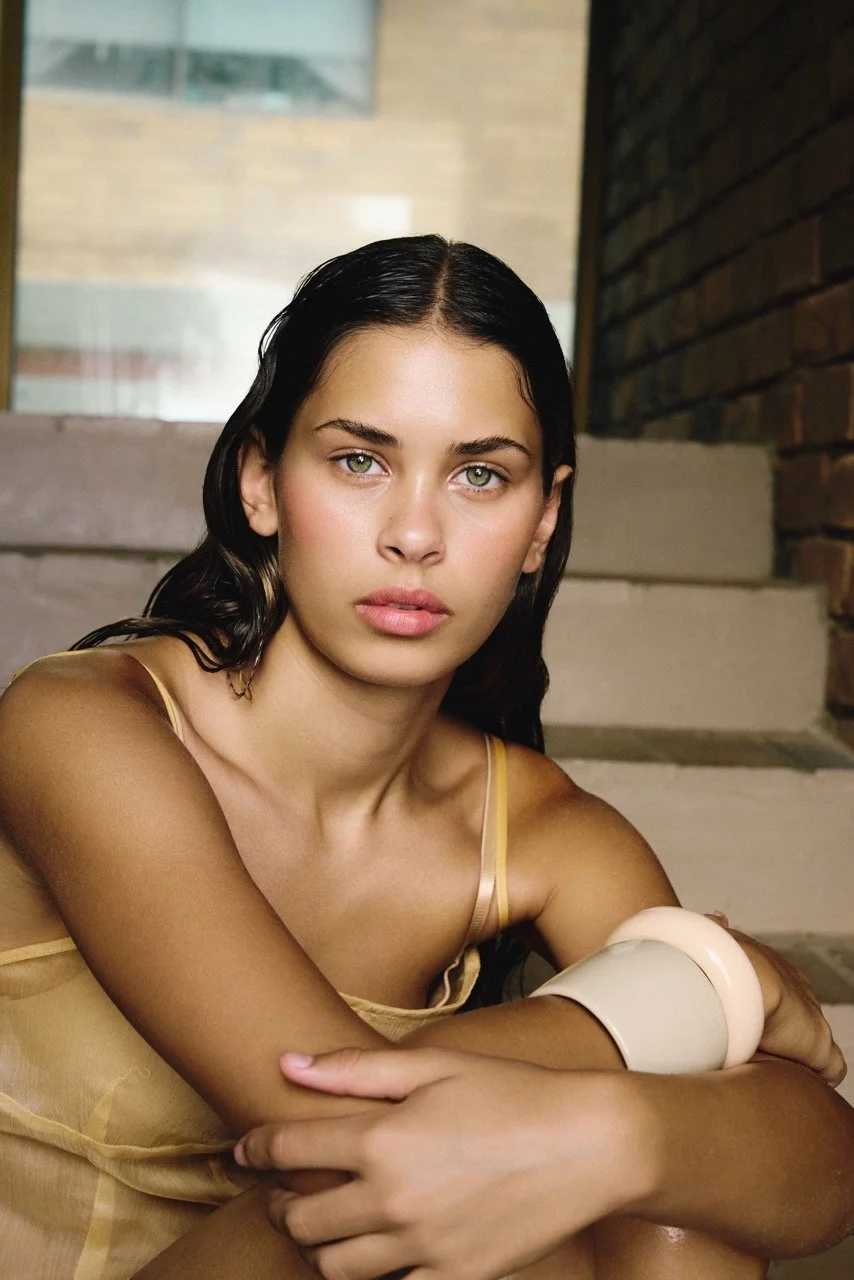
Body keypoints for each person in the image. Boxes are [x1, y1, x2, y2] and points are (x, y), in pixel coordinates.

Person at [0, 234, 850, 1280]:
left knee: (672, 1196)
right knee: (422, 1204)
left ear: (541, 521)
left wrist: (624, 1131)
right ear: (261, 481)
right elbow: (334, 1126)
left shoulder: (536, 827)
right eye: (359, 459)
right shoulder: (81, 723)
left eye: (480, 475)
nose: (414, 532)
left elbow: (819, 1170)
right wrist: (690, 993)